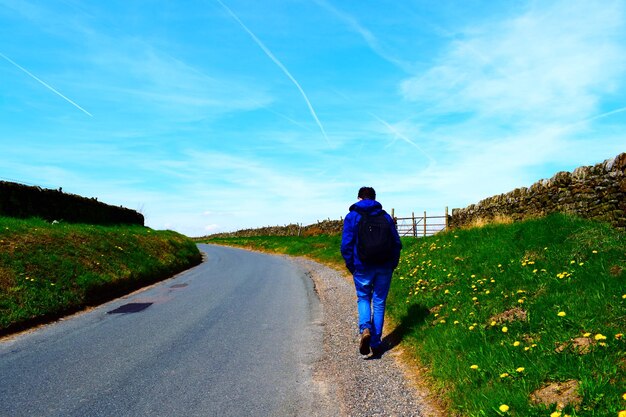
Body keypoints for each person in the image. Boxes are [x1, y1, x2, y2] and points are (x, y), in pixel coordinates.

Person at [340, 186, 402, 357]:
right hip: (384, 266)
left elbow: (346, 245)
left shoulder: (352, 216)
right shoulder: (385, 216)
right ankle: (375, 342)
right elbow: (397, 243)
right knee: (380, 301)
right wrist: (392, 263)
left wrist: (351, 265)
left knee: (363, 298)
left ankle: (365, 328)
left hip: (362, 266)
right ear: (374, 198)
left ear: (359, 198)